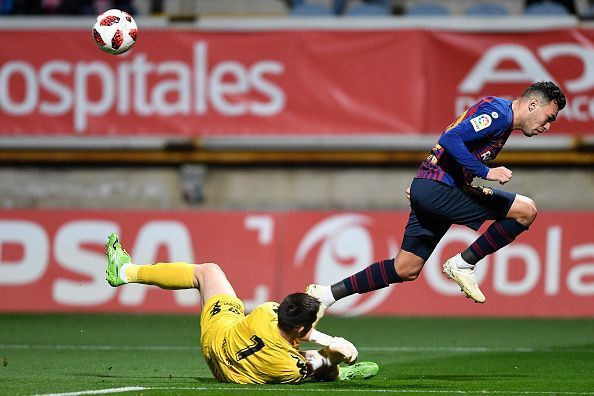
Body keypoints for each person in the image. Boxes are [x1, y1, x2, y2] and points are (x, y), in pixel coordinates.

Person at [306, 81, 566, 317]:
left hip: (432, 187)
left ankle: (326, 295)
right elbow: (450, 138)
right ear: (533, 104)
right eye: (549, 117)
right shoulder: (499, 115)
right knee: (525, 210)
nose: (548, 126)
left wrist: (426, 185)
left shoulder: (499, 115)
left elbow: (451, 146)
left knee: (405, 268)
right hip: (439, 189)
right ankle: (463, 264)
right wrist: (485, 172)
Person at [104, 233, 379, 384]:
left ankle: (127, 271)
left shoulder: (266, 312)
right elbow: (304, 363)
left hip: (218, 337)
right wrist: (334, 352)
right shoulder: (288, 366)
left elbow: (297, 331)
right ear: (301, 328)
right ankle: (342, 374)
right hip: (228, 373)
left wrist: (327, 339)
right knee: (323, 363)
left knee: (207, 272)